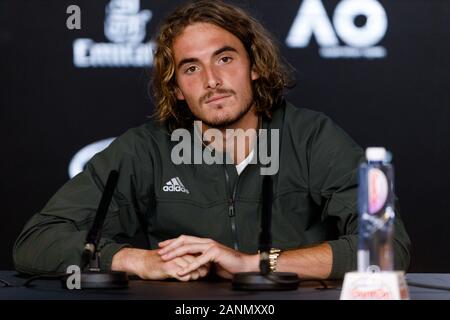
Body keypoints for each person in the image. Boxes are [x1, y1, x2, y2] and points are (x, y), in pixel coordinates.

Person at [13, 0, 411, 281]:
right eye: (191, 68)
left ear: (254, 66)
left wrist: (251, 263)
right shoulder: (146, 149)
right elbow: (35, 242)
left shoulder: (312, 136)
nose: (211, 81)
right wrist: (137, 260)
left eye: (224, 59)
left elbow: (386, 247)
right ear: (178, 90)